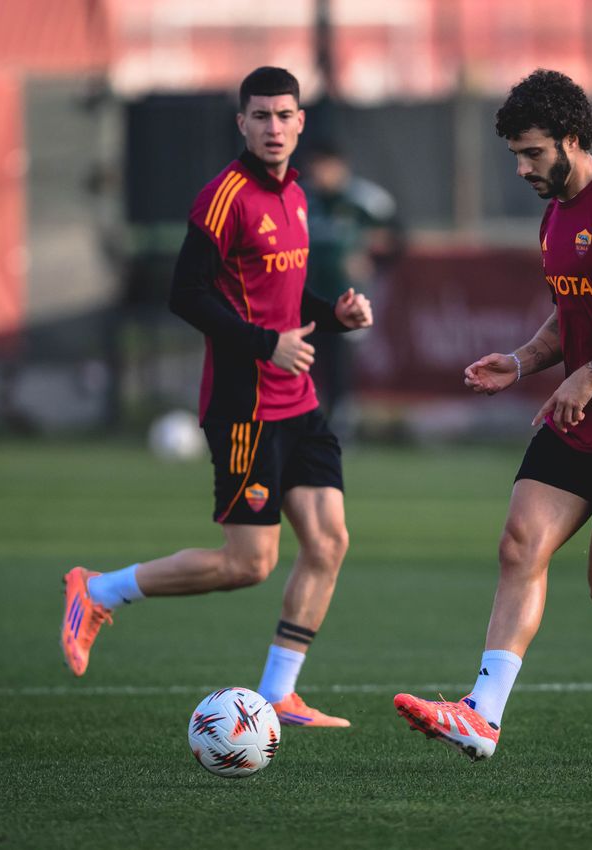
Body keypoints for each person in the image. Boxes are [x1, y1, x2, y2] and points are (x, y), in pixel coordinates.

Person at [394, 69, 592, 766]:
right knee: (518, 545)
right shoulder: (555, 216)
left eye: (532, 153)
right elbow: (575, 315)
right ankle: (481, 714)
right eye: (514, 154)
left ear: (571, 138)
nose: (521, 168)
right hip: (581, 418)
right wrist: (522, 359)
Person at [60, 67, 373, 728]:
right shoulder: (223, 197)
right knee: (248, 563)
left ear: (299, 122)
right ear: (241, 123)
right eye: (260, 115)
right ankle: (96, 590)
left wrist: (334, 313)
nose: (273, 127)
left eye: (284, 114)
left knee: (328, 541)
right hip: (246, 407)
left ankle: (279, 694)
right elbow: (186, 295)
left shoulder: (298, 195)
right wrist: (266, 346)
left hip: (301, 403)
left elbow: (285, 301)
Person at [301, 141, 401, 426]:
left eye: (326, 166)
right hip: (302, 298)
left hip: (346, 300)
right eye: (315, 166)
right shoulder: (301, 199)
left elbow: (396, 239)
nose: (320, 173)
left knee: (338, 366)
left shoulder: (366, 200)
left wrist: (368, 253)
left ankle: (340, 424)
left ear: (340, 166)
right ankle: (298, 422)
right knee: (301, 363)